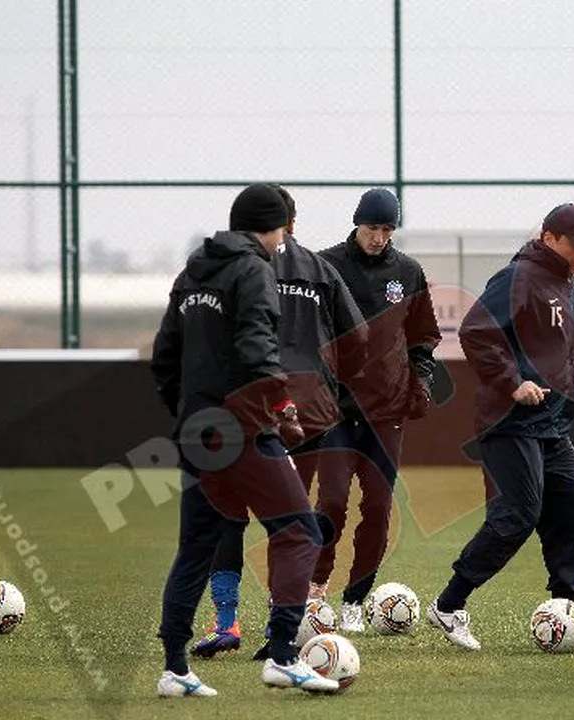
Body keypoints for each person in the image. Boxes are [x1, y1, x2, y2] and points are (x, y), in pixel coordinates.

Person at [150, 184, 336, 696]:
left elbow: (166, 354)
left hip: (197, 428)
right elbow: (258, 347)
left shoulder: (193, 272)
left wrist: (189, 414)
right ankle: (282, 655)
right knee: (300, 530)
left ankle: (175, 669)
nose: (283, 241)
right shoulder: (254, 269)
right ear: (270, 227)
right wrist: (282, 407)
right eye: (281, 230)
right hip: (243, 426)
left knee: (197, 546)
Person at [426, 202, 574, 652]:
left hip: (552, 424)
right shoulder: (519, 277)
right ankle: (448, 605)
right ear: (550, 238)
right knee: (519, 513)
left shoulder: (568, 282)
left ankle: (566, 614)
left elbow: (553, 344)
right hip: (510, 421)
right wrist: (512, 384)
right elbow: (476, 331)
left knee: (572, 512)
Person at [190, 187, 368, 660]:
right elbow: (358, 338)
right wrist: (329, 384)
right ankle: (278, 631)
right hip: (304, 415)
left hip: (240, 412)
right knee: (287, 523)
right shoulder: (320, 269)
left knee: (228, 520)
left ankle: (226, 624)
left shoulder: (228, 269)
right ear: (293, 221)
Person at [312, 188, 440, 632]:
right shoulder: (325, 266)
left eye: (387, 230)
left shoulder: (407, 272)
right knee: (330, 502)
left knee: (379, 507)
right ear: (357, 224)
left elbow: (424, 338)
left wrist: (420, 380)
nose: (380, 238)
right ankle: (314, 590)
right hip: (334, 413)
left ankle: (354, 601)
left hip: (386, 414)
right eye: (373, 228)